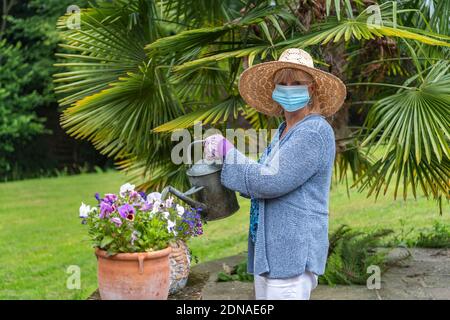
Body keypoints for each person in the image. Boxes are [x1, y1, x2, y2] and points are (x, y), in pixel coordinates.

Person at [203, 48, 346, 300]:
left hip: (291, 252)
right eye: (282, 83)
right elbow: (260, 178)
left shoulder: (313, 132)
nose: (289, 88)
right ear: (274, 89)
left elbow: (271, 181)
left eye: (297, 83)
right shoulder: (285, 129)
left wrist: (229, 151)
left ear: (311, 89)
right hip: (271, 251)